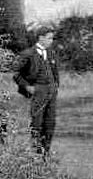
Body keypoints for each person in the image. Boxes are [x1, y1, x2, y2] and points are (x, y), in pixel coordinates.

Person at [13, 26, 60, 155]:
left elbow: (55, 73)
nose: (51, 41)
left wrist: (56, 86)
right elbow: (16, 74)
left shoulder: (51, 53)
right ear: (41, 38)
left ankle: (46, 153)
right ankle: (36, 154)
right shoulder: (28, 54)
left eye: (52, 38)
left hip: (51, 92)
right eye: (49, 38)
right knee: (37, 122)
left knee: (50, 123)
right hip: (38, 91)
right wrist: (28, 87)